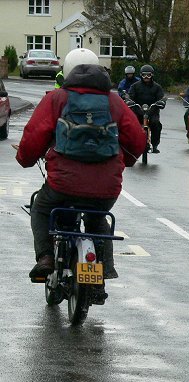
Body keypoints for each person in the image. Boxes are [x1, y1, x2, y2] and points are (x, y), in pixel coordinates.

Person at [15, 48, 146, 279]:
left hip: (62, 185)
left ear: (66, 72)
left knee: (41, 210)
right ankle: (105, 267)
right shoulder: (114, 102)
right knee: (97, 218)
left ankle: (45, 257)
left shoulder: (56, 99)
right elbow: (137, 140)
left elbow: (35, 134)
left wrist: (25, 159)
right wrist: (125, 161)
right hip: (107, 188)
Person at [128, 64, 166, 153]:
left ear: (152, 75)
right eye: (144, 75)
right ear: (140, 75)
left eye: (148, 75)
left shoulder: (157, 87)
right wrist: (129, 101)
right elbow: (130, 96)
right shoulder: (135, 86)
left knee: (156, 124)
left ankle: (155, 145)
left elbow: (161, 97)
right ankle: (132, 144)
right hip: (138, 111)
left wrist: (162, 102)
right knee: (131, 125)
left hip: (152, 111)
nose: (146, 77)